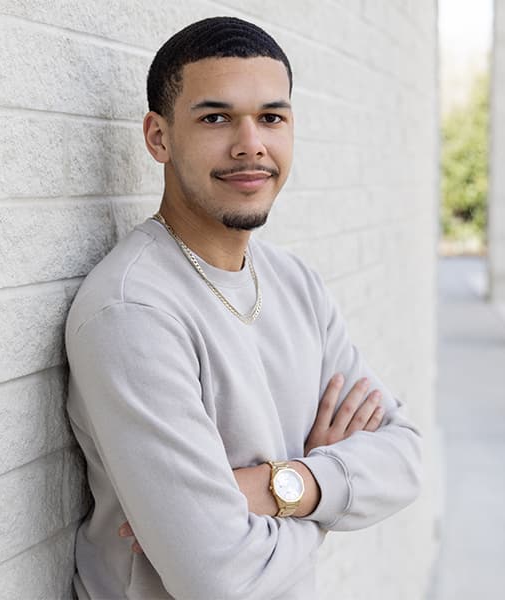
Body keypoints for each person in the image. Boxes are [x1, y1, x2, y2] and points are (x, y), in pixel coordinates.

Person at [65, 16, 422, 600]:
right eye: (215, 118)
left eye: (271, 117)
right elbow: (222, 578)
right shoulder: (133, 311)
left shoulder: (295, 282)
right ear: (158, 138)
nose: (250, 144)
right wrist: (328, 495)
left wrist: (283, 485)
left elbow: (404, 457)